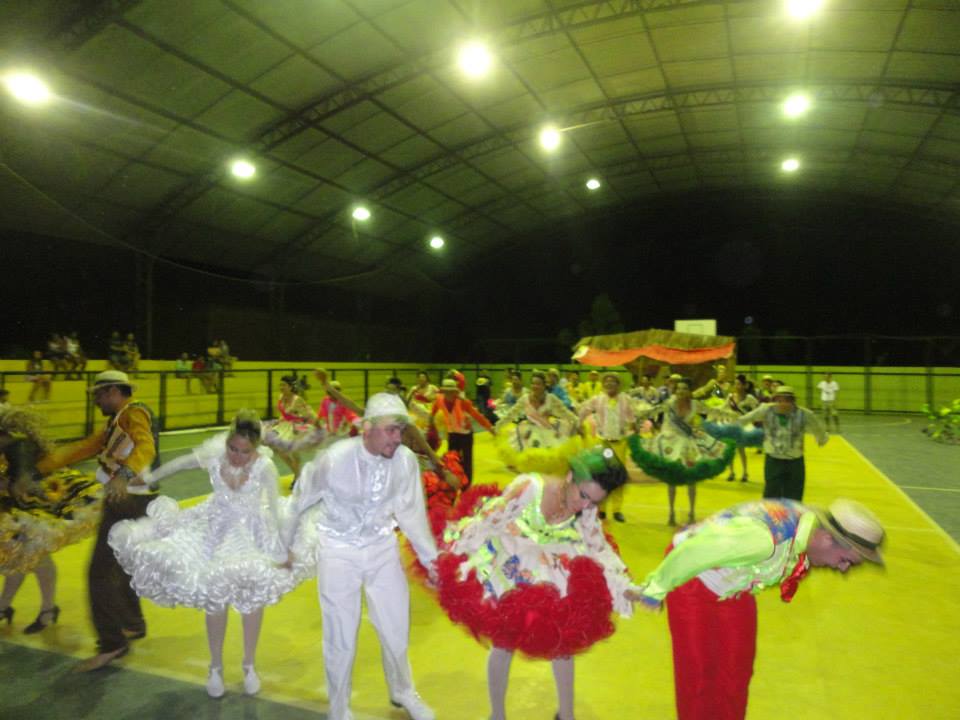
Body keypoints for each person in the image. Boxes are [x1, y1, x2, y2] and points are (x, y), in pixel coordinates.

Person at [436, 446, 641, 720]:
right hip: (512, 562)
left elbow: (598, 547)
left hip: (552, 567)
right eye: (583, 496)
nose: (584, 506)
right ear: (570, 476)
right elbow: (487, 521)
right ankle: (497, 715)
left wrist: (624, 586)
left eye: (594, 502)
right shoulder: (530, 488)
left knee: (563, 638)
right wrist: (455, 556)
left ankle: (566, 715)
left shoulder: (586, 508)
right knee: (503, 641)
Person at [636, 497, 886, 720]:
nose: (842, 568)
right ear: (827, 537)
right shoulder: (762, 540)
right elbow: (691, 553)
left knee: (736, 668)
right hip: (692, 573)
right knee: (699, 671)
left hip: (735, 580)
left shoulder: (806, 531)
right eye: (845, 560)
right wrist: (656, 588)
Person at [109, 411, 295, 698]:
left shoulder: (265, 467)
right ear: (227, 441)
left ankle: (248, 665)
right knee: (214, 598)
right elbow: (180, 464)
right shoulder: (215, 456)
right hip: (214, 529)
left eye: (244, 452)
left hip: (251, 533)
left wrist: (284, 549)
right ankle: (215, 667)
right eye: (232, 448)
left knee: (252, 600)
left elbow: (273, 508)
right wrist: (147, 479)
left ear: (255, 448)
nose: (236, 456)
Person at [286, 393, 438, 720]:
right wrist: (284, 547)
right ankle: (339, 708)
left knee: (396, 626)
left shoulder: (405, 461)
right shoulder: (334, 459)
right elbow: (299, 501)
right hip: (337, 551)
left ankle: (403, 691)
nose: (398, 438)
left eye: (401, 430)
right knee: (341, 633)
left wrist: (433, 562)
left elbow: (412, 515)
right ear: (367, 428)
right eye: (391, 430)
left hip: (382, 547)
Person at [36, 370, 157, 671]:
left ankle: (112, 644)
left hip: (127, 499)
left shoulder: (133, 413)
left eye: (99, 395)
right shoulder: (114, 424)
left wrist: (123, 476)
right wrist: (39, 468)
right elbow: (81, 449)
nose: (96, 400)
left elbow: (146, 447)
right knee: (122, 566)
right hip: (133, 500)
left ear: (114, 391)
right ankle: (132, 624)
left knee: (99, 574)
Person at [0, 408, 101, 634]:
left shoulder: (20, 447)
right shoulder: (11, 445)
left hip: (35, 508)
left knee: (35, 557)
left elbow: (22, 485)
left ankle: (47, 609)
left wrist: (5, 485)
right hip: (20, 509)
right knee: (15, 558)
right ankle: (4, 606)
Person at [629, 378, 736, 526]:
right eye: (678, 388)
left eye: (684, 388)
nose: (680, 391)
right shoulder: (669, 403)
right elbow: (653, 411)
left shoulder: (695, 404)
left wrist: (732, 415)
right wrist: (637, 415)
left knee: (692, 478)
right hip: (669, 443)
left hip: (687, 443)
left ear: (689, 391)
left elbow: (713, 411)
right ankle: (671, 512)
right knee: (671, 479)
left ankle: (692, 512)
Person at [736, 385, 828, 501]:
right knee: (771, 493)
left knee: (794, 494)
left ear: (793, 401)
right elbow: (746, 419)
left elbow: (817, 427)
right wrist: (731, 427)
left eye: (787, 401)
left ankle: (792, 512)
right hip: (773, 458)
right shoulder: (766, 410)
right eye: (779, 401)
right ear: (775, 400)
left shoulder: (804, 414)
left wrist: (821, 439)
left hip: (795, 460)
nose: (783, 404)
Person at [494, 371, 580, 475]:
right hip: (528, 431)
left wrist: (578, 422)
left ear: (544, 385)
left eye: (538, 384)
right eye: (533, 383)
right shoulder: (525, 398)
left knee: (549, 463)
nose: (535, 386)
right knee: (526, 460)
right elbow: (512, 413)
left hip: (547, 432)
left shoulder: (551, 398)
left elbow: (565, 412)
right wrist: (498, 425)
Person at [578, 373, 637, 522]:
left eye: (613, 382)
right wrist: (578, 424)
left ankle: (617, 510)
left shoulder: (626, 399)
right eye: (606, 382)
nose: (609, 384)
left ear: (619, 385)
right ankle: (602, 509)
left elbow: (633, 417)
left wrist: (633, 427)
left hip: (620, 442)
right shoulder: (597, 399)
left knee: (618, 476)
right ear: (603, 384)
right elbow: (583, 410)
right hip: (602, 441)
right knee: (602, 476)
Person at [430, 378, 495, 481]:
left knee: (467, 460)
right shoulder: (439, 400)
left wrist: (489, 427)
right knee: (451, 459)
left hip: (465, 434)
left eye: (451, 391)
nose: (449, 394)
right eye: (446, 391)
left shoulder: (463, 402)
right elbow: (433, 411)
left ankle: (467, 482)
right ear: (443, 392)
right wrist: (430, 423)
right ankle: (454, 481)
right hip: (452, 433)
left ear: (455, 392)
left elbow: (477, 415)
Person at [262, 374, 318, 479]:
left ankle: (297, 476)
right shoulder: (280, 396)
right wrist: (280, 420)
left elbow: (308, 414)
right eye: (280, 385)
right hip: (285, 426)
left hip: (296, 427)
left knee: (293, 453)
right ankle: (298, 474)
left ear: (291, 387)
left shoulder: (297, 400)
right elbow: (283, 413)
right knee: (281, 451)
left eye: (284, 385)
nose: (281, 387)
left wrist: (301, 418)